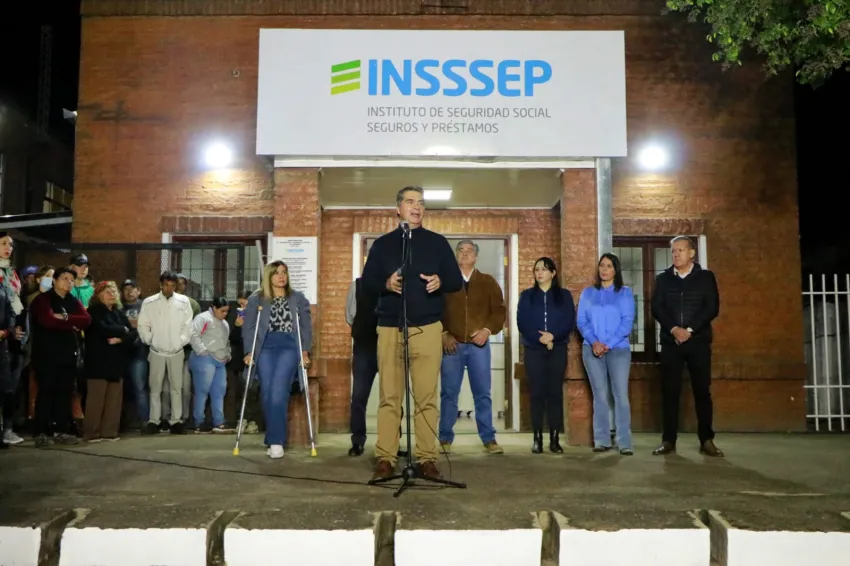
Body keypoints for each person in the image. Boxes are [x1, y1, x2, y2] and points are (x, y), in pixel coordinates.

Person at [361, 185, 463, 480]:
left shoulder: (437, 243)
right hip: (390, 327)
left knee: (426, 399)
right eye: (410, 201)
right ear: (398, 209)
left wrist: (440, 280)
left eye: (421, 202)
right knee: (390, 397)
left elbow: (455, 281)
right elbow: (367, 284)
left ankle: (427, 458)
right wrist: (386, 283)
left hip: (428, 328)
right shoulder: (382, 245)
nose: (417, 206)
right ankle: (386, 458)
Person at [650, 236, 722, 457]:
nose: (676, 254)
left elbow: (711, 307)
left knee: (702, 391)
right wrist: (674, 329)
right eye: (673, 251)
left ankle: (706, 440)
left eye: (680, 250)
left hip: (698, 342)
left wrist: (689, 330)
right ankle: (668, 440)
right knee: (670, 392)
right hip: (671, 343)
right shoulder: (663, 279)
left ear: (692, 253)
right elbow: (657, 308)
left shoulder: (706, 277)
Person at [439, 239, 506, 455]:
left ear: (476, 256)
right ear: (456, 255)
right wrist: (444, 333)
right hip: (452, 346)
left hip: (479, 347)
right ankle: (445, 438)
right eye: (461, 250)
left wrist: (487, 330)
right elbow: (435, 309)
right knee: (449, 393)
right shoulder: (446, 282)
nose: (465, 253)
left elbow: (499, 311)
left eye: (469, 251)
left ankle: (489, 439)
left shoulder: (488, 282)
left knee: (482, 394)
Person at [243, 261, 312, 459]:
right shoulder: (256, 299)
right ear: (269, 276)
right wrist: (249, 351)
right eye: (277, 273)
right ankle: (273, 436)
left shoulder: (298, 298)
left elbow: (306, 326)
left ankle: (276, 442)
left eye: (284, 272)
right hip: (264, 347)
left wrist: (305, 351)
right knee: (267, 393)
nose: (281, 276)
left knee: (278, 391)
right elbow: (249, 327)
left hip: (289, 346)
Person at [577, 253, 636, 455]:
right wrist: (594, 342)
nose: (604, 269)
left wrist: (607, 344)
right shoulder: (588, 293)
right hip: (591, 349)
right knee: (600, 396)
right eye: (602, 265)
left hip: (618, 350)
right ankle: (601, 440)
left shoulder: (625, 293)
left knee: (620, 396)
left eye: (609, 266)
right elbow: (581, 321)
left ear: (615, 270)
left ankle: (624, 442)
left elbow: (627, 323)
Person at [345, 271, 407, 458]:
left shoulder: (398, 284)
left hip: (391, 347)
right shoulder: (357, 286)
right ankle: (357, 441)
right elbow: (350, 316)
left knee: (393, 396)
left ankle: (392, 442)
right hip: (365, 348)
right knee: (359, 397)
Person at [517, 257, 575, 454]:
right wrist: (540, 338)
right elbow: (522, 322)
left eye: (543, 269)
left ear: (553, 273)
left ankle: (555, 439)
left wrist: (553, 337)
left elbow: (569, 320)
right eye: (537, 270)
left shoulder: (564, 296)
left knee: (554, 394)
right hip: (533, 349)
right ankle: (537, 438)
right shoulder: (527, 296)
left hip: (557, 349)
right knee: (537, 393)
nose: (539, 273)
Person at [29, 267, 92, 447]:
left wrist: (64, 318)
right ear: (55, 280)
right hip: (46, 354)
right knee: (46, 392)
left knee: (64, 393)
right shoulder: (43, 299)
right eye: (64, 278)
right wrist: (71, 322)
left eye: (71, 280)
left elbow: (86, 320)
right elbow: (47, 320)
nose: (68, 282)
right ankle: (41, 432)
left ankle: (61, 430)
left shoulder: (72, 300)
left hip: (68, 354)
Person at [137, 271, 193, 435]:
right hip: (157, 351)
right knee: (155, 387)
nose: (170, 288)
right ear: (161, 284)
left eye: (173, 285)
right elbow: (143, 324)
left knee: (177, 387)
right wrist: (150, 339)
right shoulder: (150, 302)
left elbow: (188, 325)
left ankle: (176, 421)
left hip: (176, 351)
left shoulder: (183, 302)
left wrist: (181, 341)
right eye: (167, 285)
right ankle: (154, 420)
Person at [84, 281, 136, 442]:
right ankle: (92, 432)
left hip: (116, 362)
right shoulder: (94, 311)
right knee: (96, 399)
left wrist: (121, 339)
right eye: (107, 292)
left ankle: (109, 432)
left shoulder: (118, 312)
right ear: (98, 295)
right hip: (98, 362)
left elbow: (134, 333)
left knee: (114, 400)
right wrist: (123, 330)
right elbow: (102, 329)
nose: (111, 295)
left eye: (114, 291)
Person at [188, 296, 232, 433]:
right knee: (202, 390)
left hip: (220, 360)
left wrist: (228, 354)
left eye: (227, 311)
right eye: (222, 311)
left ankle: (219, 422)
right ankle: (199, 422)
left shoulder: (225, 324)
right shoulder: (202, 318)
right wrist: (202, 351)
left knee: (219, 391)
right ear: (214, 308)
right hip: (204, 358)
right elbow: (193, 335)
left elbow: (226, 341)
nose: (225, 314)